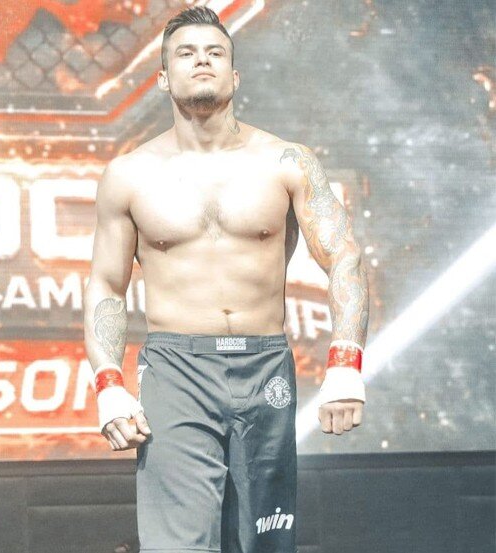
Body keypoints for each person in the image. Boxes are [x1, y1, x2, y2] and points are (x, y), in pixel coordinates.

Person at [82, 6, 369, 553]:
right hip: (176, 370)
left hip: (264, 365)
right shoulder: (129, 175)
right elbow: (106, 286)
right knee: (178, 545)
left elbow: (344, 258)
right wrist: (109, 384)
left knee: (264, 543)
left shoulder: (287, 162)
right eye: (186, 53)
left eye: (215, 52)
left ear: (234, 76)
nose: (202, 61)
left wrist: (345, 366)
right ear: (162, 77)